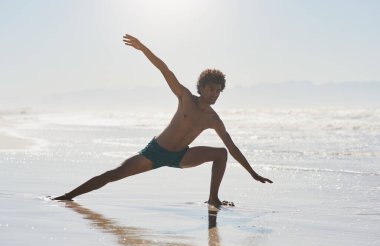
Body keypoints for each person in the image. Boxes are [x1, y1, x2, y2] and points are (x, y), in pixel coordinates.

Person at [53, 34, 273, 207]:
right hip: (155, 152)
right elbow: (164, 69)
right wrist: (143, 48)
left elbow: (232, 148)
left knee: (221, 153)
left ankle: (213, 199)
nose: (215, 94)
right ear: (202, 88)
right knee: (114, 174)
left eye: (219, 91)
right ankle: (67, 195)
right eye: (211, 89)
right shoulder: (185, 98)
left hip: (181, 156)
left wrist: (252, 173)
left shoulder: (213, 119)